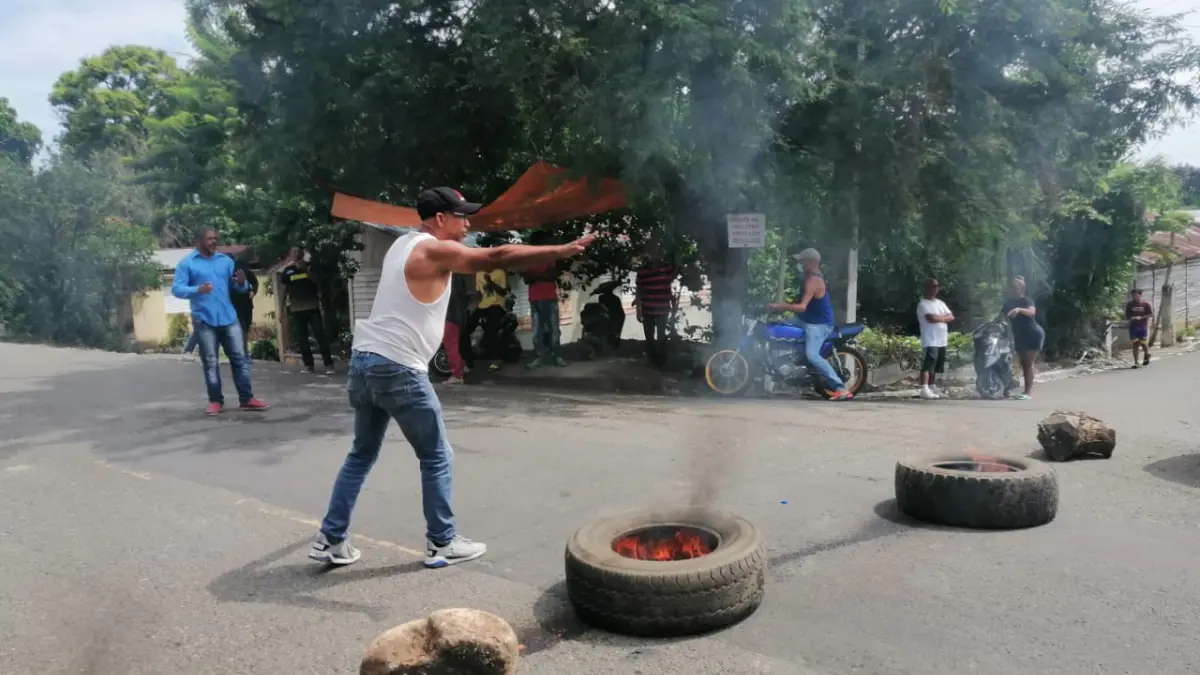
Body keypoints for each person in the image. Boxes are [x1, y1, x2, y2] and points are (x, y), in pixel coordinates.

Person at [310, 186, 594, 568]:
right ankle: (442, 541)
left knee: (361, 453)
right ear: (440, 219)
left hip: (365, 362)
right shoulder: (433, 248)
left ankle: (331, 538)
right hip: (397, 367)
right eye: (461, 216)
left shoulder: (403, 245)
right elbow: (496, 255)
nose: (467, 224)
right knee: (436, 456)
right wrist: (557, 251)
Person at [171, 228, 271, 416]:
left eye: (215, 238)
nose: (214, 242)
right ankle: (216, 401)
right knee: (210, 362)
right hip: (204, 320)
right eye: (209, 239)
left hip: (228, 318)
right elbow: (177, 289)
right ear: (199, 240)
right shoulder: (187, 264)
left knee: (240, 360)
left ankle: (247, 399)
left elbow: (240, 288)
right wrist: (197, 289)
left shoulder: (225, 261)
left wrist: (241, 283)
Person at [766, 248, 853, 400]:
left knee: (812, 355)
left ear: (811, 262)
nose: (799, 264)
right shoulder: (809, 278)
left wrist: (779, 306)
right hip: (805, 320)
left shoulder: (814, 281)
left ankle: (841, 388)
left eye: (802, 261)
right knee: (778, 326)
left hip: (819, 325)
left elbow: (802, 307)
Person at [281, 248, 335, 375]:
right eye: (293, 253)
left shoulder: (310, 267)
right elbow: (285, 290)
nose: (296, 255)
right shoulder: (288, 271)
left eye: (298, 252)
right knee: (302, 339)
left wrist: (305, 269)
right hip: (297, 308)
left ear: (302, 254)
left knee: (320, 336)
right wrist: (282, 310)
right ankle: (308, 365)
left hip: (312, 307)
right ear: (290, 255)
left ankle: (329, 364)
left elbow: (317, 281)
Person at [522, 231, 567, 369]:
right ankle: (538, 357)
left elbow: (552, 275)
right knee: (537, 331)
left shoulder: (550, 257)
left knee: (554, 329)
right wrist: (542, 275)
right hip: (535, 298)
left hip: (549, 297)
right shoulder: (529, 259)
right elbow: (526, 278)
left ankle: (556, 355)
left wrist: (535, 276)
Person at [1001, 275, 1044, 400]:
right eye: (1012, 287)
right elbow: (1001, 317)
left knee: (1028, 364)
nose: (1013, 289)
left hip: (1033, 334)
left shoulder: (1027, 301)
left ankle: (1027, 393)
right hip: (1019, 336)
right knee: (1022, 363)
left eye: (1016, 287)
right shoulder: (1008, 303)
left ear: (1022, 289)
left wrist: (1019, 310)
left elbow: (1032, 312)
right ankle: (1010, 389)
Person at [635, 250, 679, 368]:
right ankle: (652, 359)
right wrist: (638, 310)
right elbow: (638, 290)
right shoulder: (642, 271)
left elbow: (676, 268)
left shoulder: (666, 269)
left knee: (661, 335)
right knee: (649, 335)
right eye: (652, 253)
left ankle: (662, 360)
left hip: (662, 308)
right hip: (647, 308)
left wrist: (673, 305)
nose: (654, 256)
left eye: (657, 254)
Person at [916, 278, 954, 400]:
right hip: (930, 339)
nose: (934, 289)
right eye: (932, 286)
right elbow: (931, 318)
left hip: (941, 339)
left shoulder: (940, 303)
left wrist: (940, 318)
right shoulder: (923, 304)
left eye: (936, 286)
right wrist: (944, 318)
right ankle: (924, 388)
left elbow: (951, 316)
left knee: (937, 364)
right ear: (926, 288)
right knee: (928, 363)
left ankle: (932, 386)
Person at [441, 272, 472, 384]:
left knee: (450, 346)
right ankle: (462, 367)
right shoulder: (459, 277)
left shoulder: (449, 277)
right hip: (459, 316)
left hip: (450, 316)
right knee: (453, 345)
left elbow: (447, 297)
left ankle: (457, 375)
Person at [231, 258, 259, 356]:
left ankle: (244, 351)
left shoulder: (248, 273)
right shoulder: (230, 274)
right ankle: (241, 352)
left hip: (247, 304)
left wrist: (253, 291)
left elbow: (255, 282)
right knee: (239, 327)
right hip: (235, 305)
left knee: (246, 327)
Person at [1125, 288, 1153, 368]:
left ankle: (1147, 354)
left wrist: (1141, 317)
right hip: (1133, 326)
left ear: (1140, 295)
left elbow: (1150, 314)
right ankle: (1136, 362)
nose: (1135, 296)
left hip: (1143, 326)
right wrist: (1132, 318)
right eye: (1133, 295)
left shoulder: (1145, 304)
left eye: (1136, 294)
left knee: (1143, 343)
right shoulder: (1129, 304)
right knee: (1135, 344)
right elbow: (1127, 315)